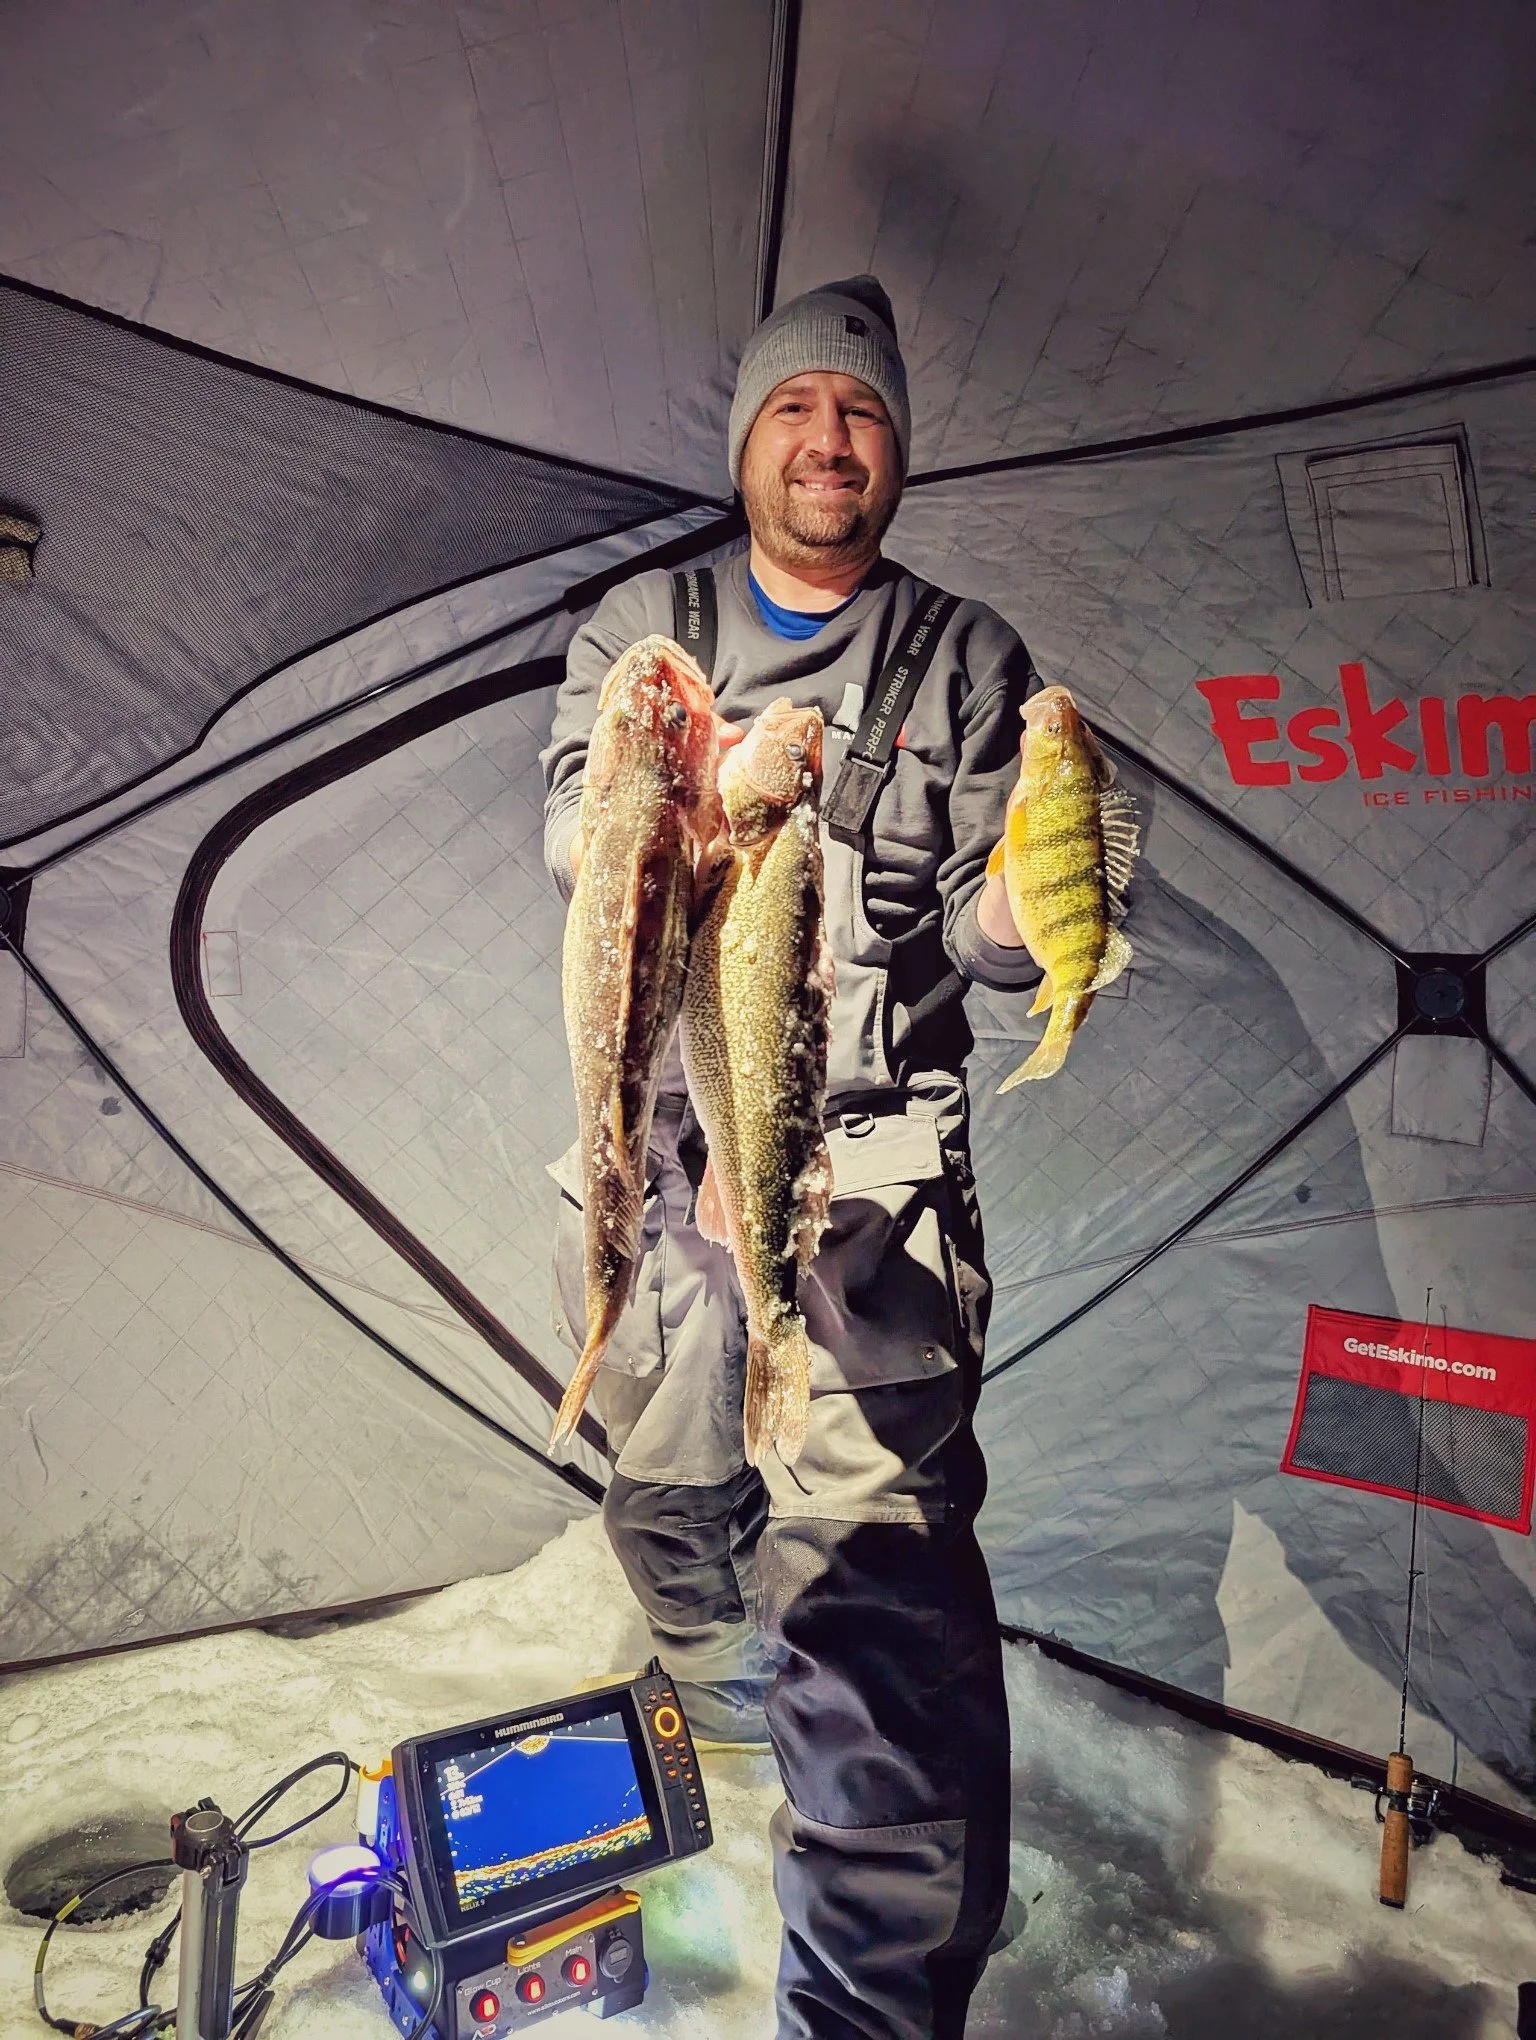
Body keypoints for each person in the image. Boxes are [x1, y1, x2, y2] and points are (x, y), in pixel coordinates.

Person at [541, 276, 1041, 2040]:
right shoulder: (641, 630)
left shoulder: (972, 659)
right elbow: (579, 851)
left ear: (898, 452)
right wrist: (690, 801)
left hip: (877, 1185)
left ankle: (867, 1987)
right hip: (671, 1166)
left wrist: (1019, 906)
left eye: (867, 417)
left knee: (877, 1581)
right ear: (746, 437)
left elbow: (1008, 943)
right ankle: (725, 1689)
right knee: (664, 1484)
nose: (832, 442)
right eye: (798, 408)